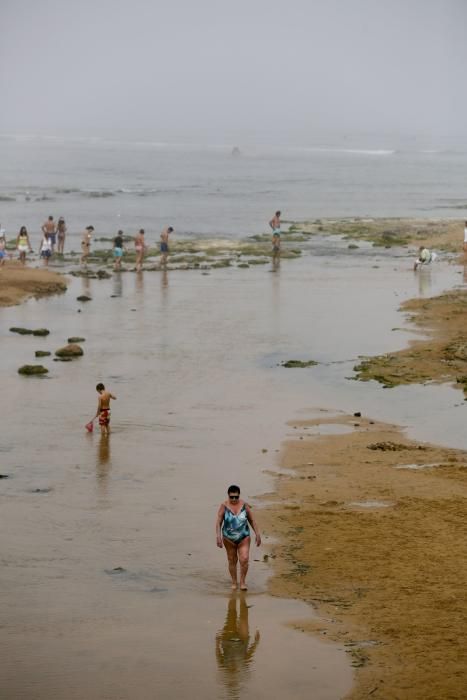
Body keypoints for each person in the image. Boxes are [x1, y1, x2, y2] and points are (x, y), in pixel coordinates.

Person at [216, 485, 261, 591]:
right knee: (232, 560)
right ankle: (234, 582)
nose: (234, 499)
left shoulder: (244, 505)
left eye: (236, 497)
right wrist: (218, 536)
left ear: (239, 495)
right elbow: (218, 522)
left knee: (244, 559)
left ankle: (242, 582)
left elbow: (252, 520)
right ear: (228, 496)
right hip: (228, 538)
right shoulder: (224, 506)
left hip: (243, 537)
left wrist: (257, 534)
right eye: (232, 497)